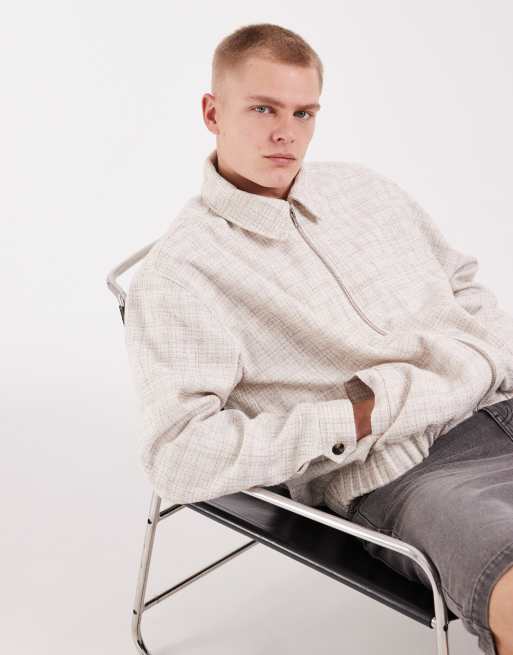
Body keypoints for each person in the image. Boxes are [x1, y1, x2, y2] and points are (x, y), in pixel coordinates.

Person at [123, 22, 513, 655]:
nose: (287, 132)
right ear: (212, 113)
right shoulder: (183, 273)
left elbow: (462, 284)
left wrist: (488, 353)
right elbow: (178, 454)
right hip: (410, 472)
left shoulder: (363, 190)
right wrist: (356, 416)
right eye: (263, 109)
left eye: (303, 112)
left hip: (500, 400)